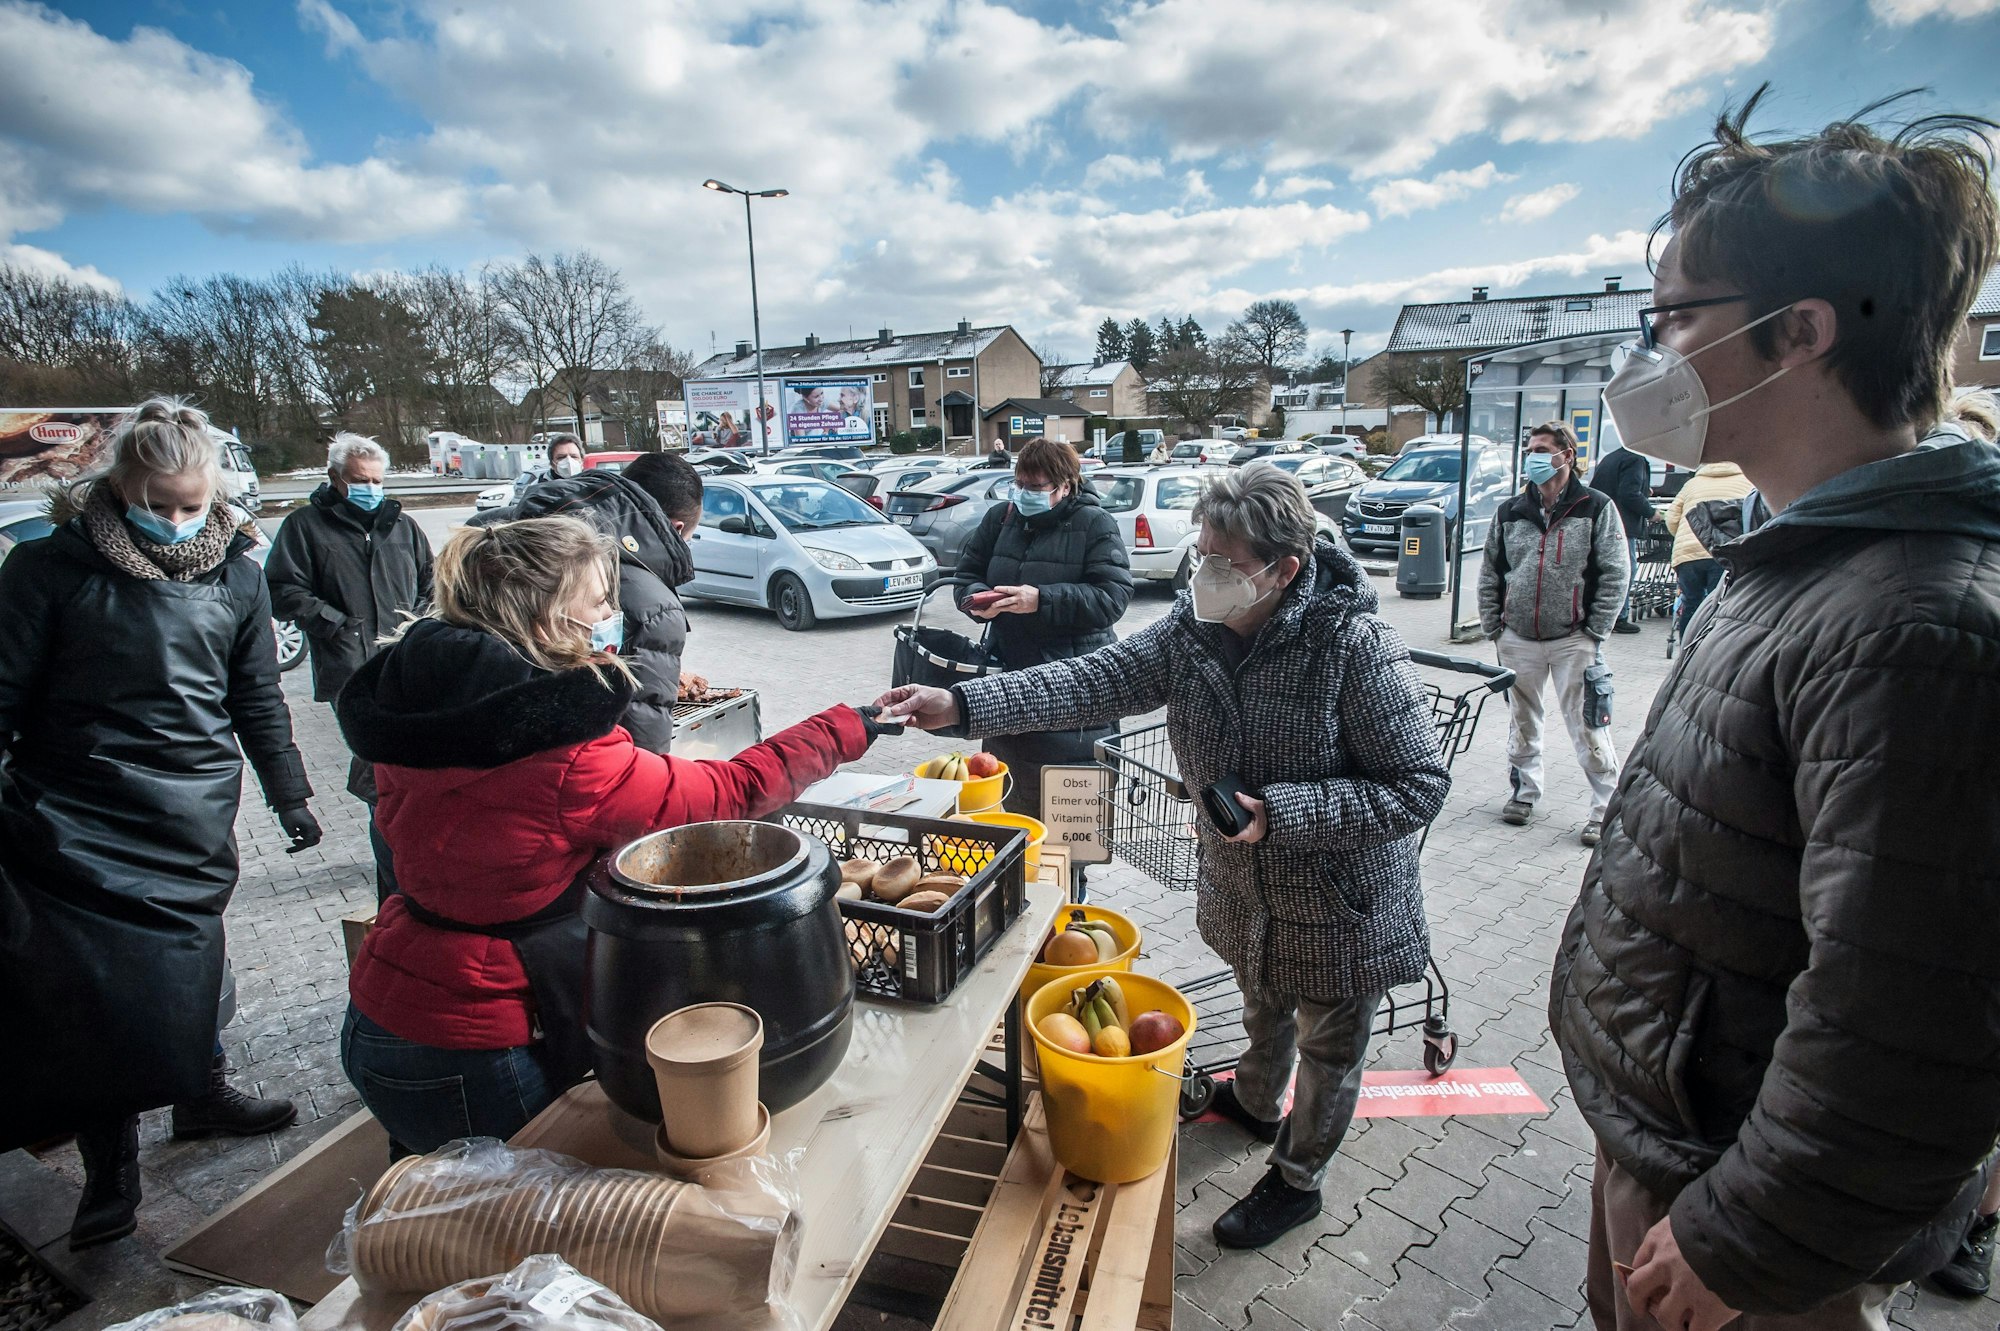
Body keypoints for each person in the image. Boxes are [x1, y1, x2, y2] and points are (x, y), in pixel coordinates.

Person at [1549, 91, 2000, 1331]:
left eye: (1671, 319)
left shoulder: (1913, 627)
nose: (1644, 357)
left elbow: (1907, 1021)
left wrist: (1746, 1238)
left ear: (1796, 331)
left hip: (1736, 1221)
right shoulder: (1800, 557)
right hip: (1677, 1143)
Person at [878, 465, 1448, 1251]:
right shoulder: (1197, 628)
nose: (1202, 576)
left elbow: (1418, 785)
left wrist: (1283, 814)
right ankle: (1253, 1100)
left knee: (1328, 1046)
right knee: (1260, 1000)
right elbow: (1096, 680)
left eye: (1223, 562)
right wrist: (967, 703)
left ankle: (1298, 1179)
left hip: (1338, 899)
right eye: (1200, 554)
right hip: (1245, 889)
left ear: (1284, 568)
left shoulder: (1353, 644)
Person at [334, 516, 888, 1155]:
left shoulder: (422, 705)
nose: (610, 614)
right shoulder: (559, 752)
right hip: (474, 1046)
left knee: (430, 1216)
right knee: (518, 1228)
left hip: (380, 1009)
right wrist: (848, 726)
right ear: (546, 619)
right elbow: (728, 794)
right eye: (598, 601)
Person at [0, 398, 322, 1246]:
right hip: (76, 816)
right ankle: (112, 1168)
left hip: (188, 811)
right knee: (95, 995)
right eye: (159, 502)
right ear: (120, 487)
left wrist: (290, 792)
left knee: (191, 960)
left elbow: (256, 695)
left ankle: (201, 1093)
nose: (176, 521)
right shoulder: (48, 573)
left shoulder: (238, 577)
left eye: (191, 505)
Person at [265, 432, 434, 895]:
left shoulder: (403, 527)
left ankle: (408, 867)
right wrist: (334, 622)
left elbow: (430, 583)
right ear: (335, 479)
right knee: (375, 773)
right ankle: (392, 882)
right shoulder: (305, 527)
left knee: (407, 773)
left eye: (378, 480)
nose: (371, 489)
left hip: (404, 666)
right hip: (350, 670)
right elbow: (282, 590)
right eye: (361, 480)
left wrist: (418, 624)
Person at [473, 451, 703, 752]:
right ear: (677, 529)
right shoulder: (653, 605)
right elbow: (643, 732)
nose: (606, 610)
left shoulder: (492, 538)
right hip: (576, 767)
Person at [953, 435, 1132, 819]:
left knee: (1069, 829)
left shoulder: (1095, 523)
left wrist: (1042, 600)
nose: (1023, 494)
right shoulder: (1001, 518)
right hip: (1007, 683)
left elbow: (1113, 598)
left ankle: (1074, 880)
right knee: (1011, 807)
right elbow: (965, 576)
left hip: (1075, 692)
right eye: (1018, 485)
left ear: (1065, 486)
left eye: (1035, 488)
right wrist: (977, 601)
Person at [1477, 421, 1628, 846]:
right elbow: (1491, 570)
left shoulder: (1594, 507)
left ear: (1567, 455)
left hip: (1573, 638)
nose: (1534, 457)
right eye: (1530, 449)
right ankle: (1524, 793)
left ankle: (1604, 808)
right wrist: (1495, 626)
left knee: (1588, 725)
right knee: (1523, 721)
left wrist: (1595, 630)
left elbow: (1616, 572)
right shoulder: (1510, 511)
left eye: (1542, 449)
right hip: (1518, 638)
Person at [1661, 460, 1752, 634]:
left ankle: (1686, 652)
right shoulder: (1748, 482)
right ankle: (1710, 650)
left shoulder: (1692, 484)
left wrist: (1685, 538)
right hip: (1724, 553)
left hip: (1687, 555)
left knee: (1691, 603)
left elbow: (1672, 518)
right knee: (1719, 604)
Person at [1589, 440, 1654, 633]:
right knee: (1625, 569)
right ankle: (1619, 616)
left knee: (1604, 568)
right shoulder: (1635, 459)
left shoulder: (1613, 457)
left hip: (1602, 521)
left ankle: (1604, 613)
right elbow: (1629, 494)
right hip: (1622, 525)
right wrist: (1651, 512)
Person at [510, 433, 585, 504]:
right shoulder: (536, 493)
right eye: (561, 457)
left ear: (582, 461)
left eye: (574, 456)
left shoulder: (592, 485)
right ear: (552, 463)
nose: (569, 461)